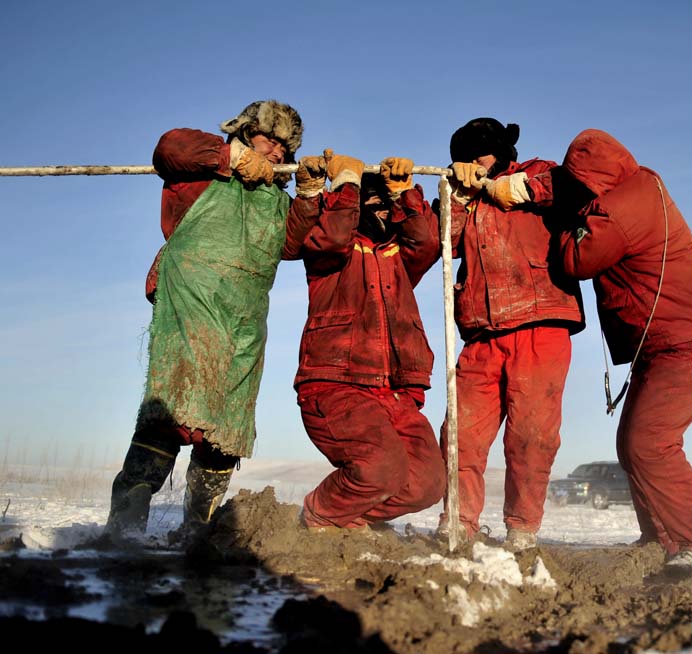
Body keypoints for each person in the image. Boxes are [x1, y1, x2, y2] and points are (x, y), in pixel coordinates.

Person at [105, 100, 303, 541]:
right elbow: (169, 146)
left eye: (284, 146)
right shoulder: (201, 170)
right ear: (246, 132)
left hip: (247, 317)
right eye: (267, 138)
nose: (274, 150)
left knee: (226, 426)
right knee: (171, 408)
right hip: (192, 304)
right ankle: (123, 532)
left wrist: (309, 193)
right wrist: (229, 158)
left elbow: (297, 244)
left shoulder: (276, 200)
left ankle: (201, 534)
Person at [546, 128, 692, 560]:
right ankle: (661, 541)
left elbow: (578, 258)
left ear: (593, 178)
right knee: (632, 444)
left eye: (578, 183)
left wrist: (564, 221)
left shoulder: (618, 209)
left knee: (651, 443)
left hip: (684, 341)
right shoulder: (640, 185)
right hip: (667, 338)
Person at [439, 118, 585, 550]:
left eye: (481, 152)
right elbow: (438, 243)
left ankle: (522, 528)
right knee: (460, 434)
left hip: (541, 323)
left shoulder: (541, 171)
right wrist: (459, 199)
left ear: (501, 150)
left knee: (532, 435)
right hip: (481, 334)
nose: (473, 161)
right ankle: (458, 523)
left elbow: (572, 190)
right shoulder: (461, 192)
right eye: (464, 155)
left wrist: (514, 189)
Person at [285, 150, 445, 530]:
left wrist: (403, 192)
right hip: (337, 384)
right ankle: (317, 517)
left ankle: (347, 518)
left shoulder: (398, 256)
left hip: (394, 391)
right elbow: (333, 237)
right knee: (380, 468)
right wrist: (345, 186)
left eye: (385, 207)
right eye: (369, 204)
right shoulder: (329, 249)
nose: (381, 214)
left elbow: (426, 243)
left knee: (427, 482)